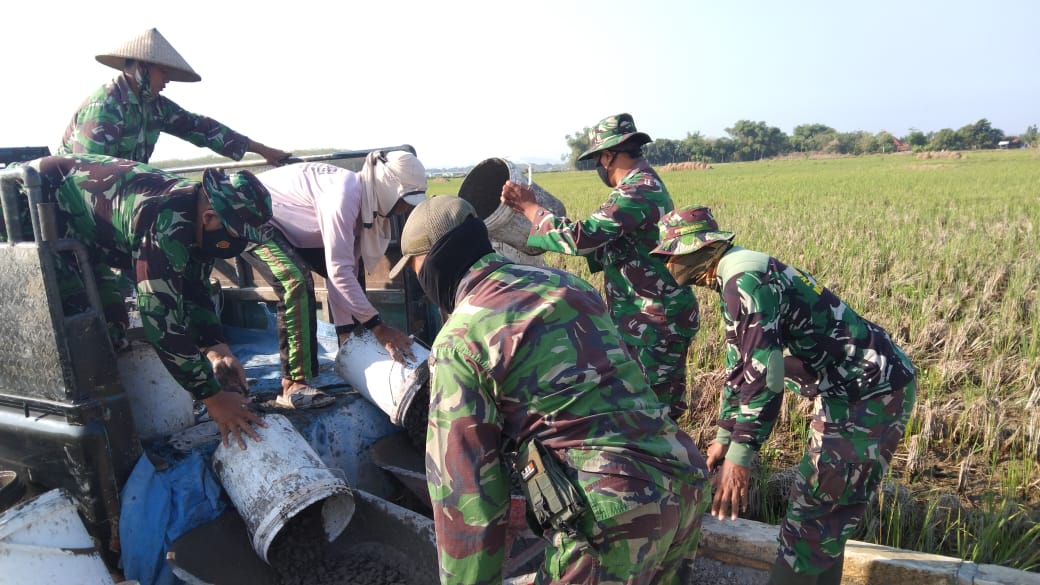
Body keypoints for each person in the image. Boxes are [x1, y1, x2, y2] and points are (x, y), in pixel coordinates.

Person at [388, 196, 711, 585]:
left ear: (435, 263)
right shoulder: (566, 284)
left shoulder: (459, 340)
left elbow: (466, 493)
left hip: (613, 507)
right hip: (683, 475)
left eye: (417, 269)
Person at [650, 205, 918, 585]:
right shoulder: (738, 271)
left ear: (701, 250)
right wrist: (724, 437)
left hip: (869, 395)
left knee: (813, 521)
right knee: (819, 524)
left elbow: (766, 379)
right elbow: (742, 368)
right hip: (850, 388)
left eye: (671, 254)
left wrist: (740, 458)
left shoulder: (743, 280)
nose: (667, 263)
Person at [20, 153, 275, 449]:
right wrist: (213, 398)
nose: (238, 244)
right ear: (210, 217)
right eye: (236, 234)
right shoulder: (166, 221)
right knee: (79, 331)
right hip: (30, 211)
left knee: (112, 328)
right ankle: (74, 440)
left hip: (83, 236)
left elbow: (193, 285)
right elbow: (159, 319)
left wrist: (216, 347)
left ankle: (114, 423)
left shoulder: (197, 219)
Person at [501, 113, 698, 421]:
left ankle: (671, 465)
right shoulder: (643, 183)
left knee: (654, 413)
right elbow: (610, 243)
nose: (598, 167)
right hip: (647, 318)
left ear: (609, 156)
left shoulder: (638, 190)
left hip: (655, 322)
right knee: (648, 407)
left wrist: (529, 208)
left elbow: (581, 237)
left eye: (597, 159)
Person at [245, 150, 426, 409]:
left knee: (354, 272)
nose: (403, 209)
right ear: (388, 186)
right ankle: (292, 385)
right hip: (252, 213)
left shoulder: (366, 204)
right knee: (295, 282)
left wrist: (347, 341)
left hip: (298, 224)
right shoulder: (343, 197)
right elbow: (339, 272)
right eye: (404, 201)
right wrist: (379, 328)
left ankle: (349, 351)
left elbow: (344, 273)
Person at [57, 27, 289, 166]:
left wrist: (263, 150)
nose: (167, 80)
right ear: (142, 67)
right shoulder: (105, 107)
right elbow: (89, 176)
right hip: (81, 211)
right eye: (164, 72)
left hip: (120, 201)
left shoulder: (155, 107)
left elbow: (203, 129)